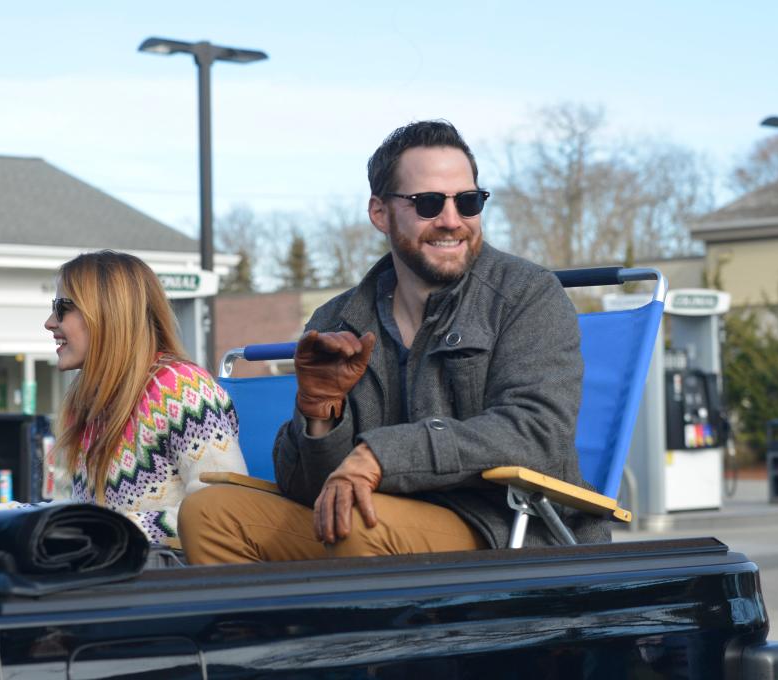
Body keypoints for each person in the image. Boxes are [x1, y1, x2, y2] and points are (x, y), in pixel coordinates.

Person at [179, 119, 609, 564]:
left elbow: (536, 434)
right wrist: (320, 415)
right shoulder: (337, 319)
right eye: (427, 203)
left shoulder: (527, 295)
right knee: (208, 513)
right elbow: (309, 490)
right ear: (379, 213)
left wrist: (379, 456)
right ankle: (285, 635)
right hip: (374, 521)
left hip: (500, 528)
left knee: (357, 526)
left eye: (467, 201)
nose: (451, 220)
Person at [39, 250, 247, 544]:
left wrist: (106, 531)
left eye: (62, 307)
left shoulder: (181, 388)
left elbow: (223, 510)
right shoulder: (91, 401)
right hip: (112, 573)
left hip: (169, 582)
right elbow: (82, 514)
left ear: (108, 312)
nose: (49, 322)